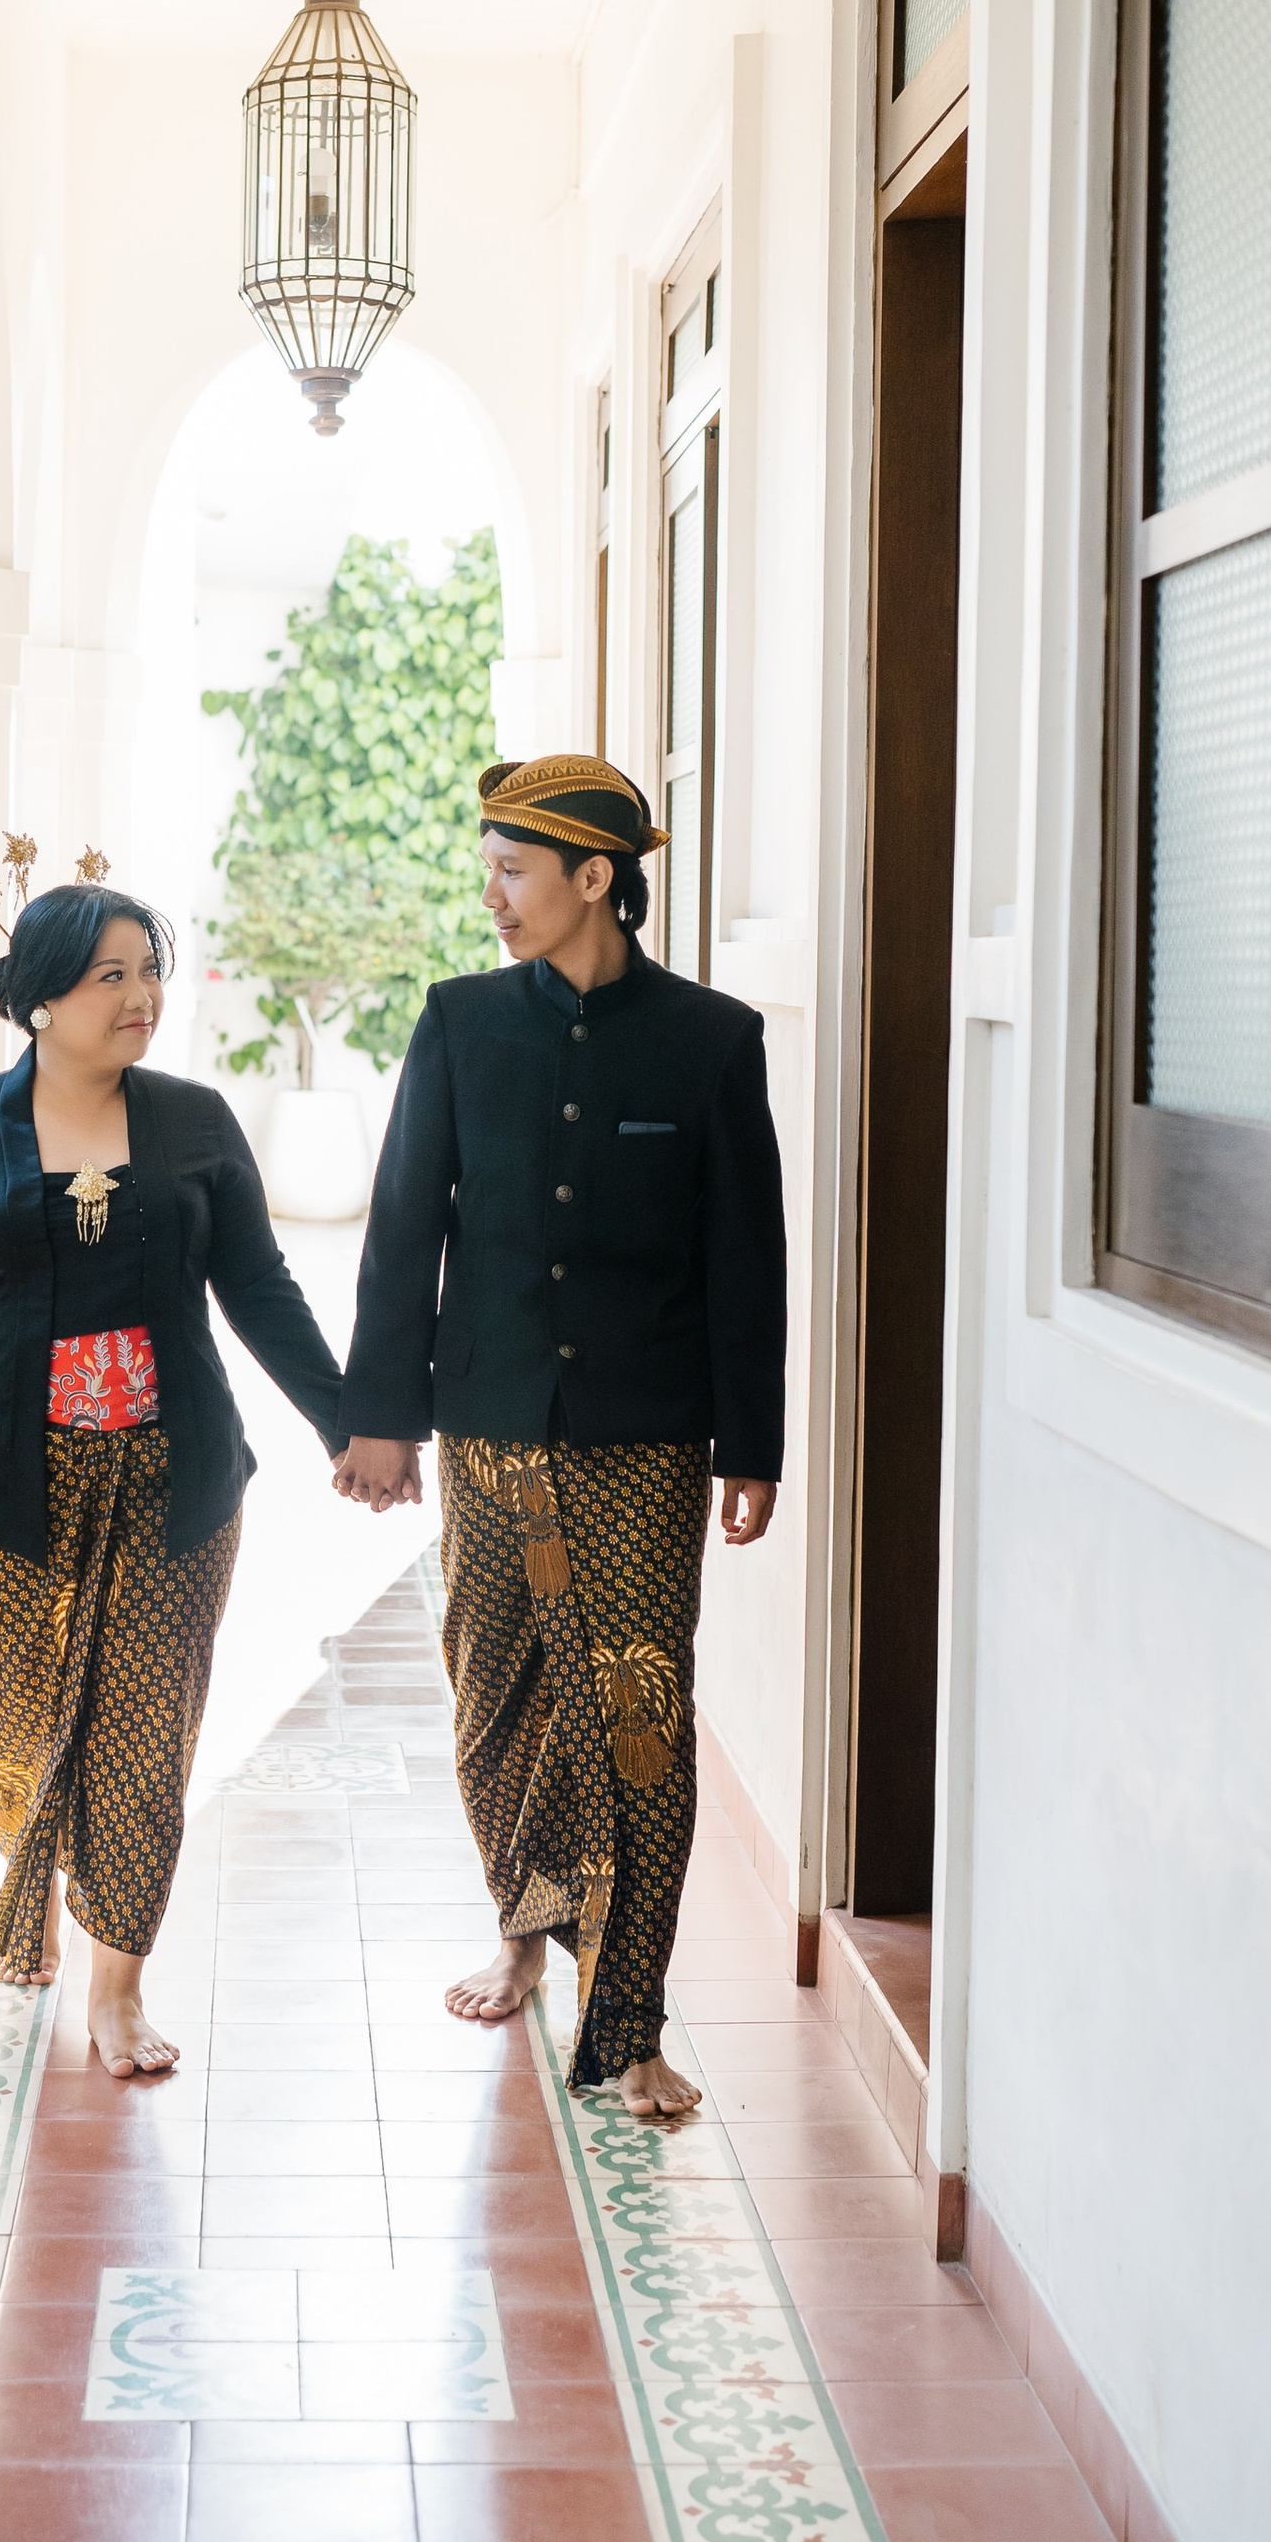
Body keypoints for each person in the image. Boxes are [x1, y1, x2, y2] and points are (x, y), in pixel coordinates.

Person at [334, 755, 786, 2120]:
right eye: (487, 869)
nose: (492, 896)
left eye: (513, 872)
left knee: (641, 1714)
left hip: (648, 1435)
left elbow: (745, 1258)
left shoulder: (712, 1041)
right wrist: (381, 1417)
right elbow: (404, 1224)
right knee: (500, 1702)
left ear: (596, 877)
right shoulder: (461, 1022)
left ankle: (629, 2020)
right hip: (489, 1422)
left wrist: (751, 1442)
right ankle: (523, 1928)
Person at [0, 881, 349, 2078]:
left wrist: (349, 1423)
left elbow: (259, 1288)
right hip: (1, 1488)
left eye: (150, 971)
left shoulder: (193, 1122)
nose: (142, 997)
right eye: (111, 976)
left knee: (144, 1735)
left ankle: (117, 1985)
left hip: (173, 1483)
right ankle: (31, 1875)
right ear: (41, 999)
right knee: (21, 1730)